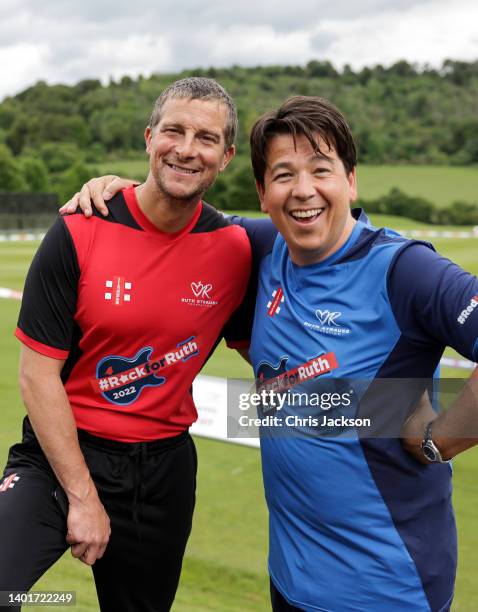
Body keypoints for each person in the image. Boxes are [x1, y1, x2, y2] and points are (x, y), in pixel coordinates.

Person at [72, 95, 478, 612]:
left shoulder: (406, 271)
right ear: (263, 193)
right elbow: (172, 212)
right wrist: (115, 191)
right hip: (290, 581)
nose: (303, 190)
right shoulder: (258, 246)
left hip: (387, 588)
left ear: (350, 181)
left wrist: (440, 441)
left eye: (321, 170)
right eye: (283, 175)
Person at [0, 77, 253, 611]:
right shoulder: (79, 229)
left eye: (205, 138)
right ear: (148, 138)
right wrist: (83, 497)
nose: (186, 149)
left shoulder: (235, 249)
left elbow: (272, 350)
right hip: (60, 455)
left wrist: (376, 407)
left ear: (226, 156)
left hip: (162, 474)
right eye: (174, 131)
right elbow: (36, 375)